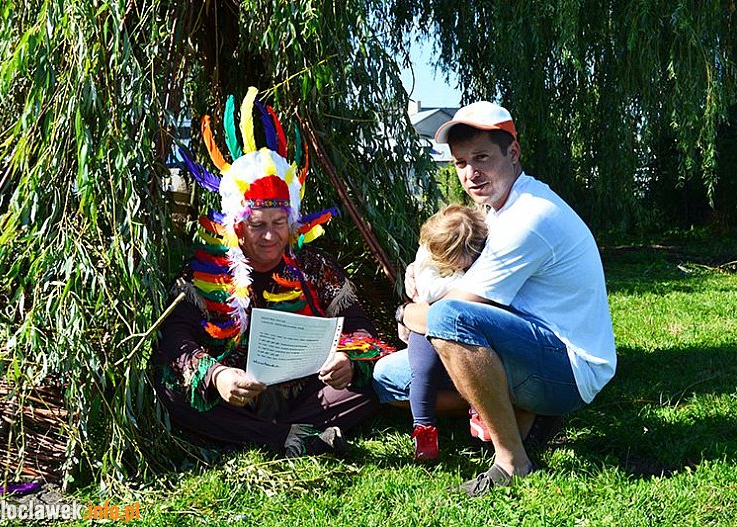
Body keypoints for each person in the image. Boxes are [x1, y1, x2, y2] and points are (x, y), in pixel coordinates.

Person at [374, 100, 616, 495]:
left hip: (569, 368)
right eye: (460, 163)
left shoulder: (529, 216)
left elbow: (454, 311)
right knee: (388, 379)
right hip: (524, 346)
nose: (470, 173)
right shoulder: (495, 210)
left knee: (449, 320)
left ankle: (511, 460)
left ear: (513, 153)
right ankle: (517, 409)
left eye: (482, 158)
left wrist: (405, 312)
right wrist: (420, 273)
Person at [153, 88, 388, 458]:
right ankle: (296, 437)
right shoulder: (204, 272)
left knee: (373, 381)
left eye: (279, 222)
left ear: (292, 222)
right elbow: (177, 339)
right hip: (237, 394)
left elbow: (358, 323)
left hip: (309, 392)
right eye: (257, 224)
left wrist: (347, 360)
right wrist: (218, 377)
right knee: (173, 390)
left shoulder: (314, 267)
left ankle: (277, 435)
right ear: (236, 226)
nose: (269, 236)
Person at [406, 204, 487, 461]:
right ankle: (424, 428)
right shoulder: (429, 253)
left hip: (464, 322)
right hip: (426, 323)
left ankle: (480, 411)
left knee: (477, 360)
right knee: (424, 370)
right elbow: (429, 292)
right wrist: (468, 282)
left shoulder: (480, 250)